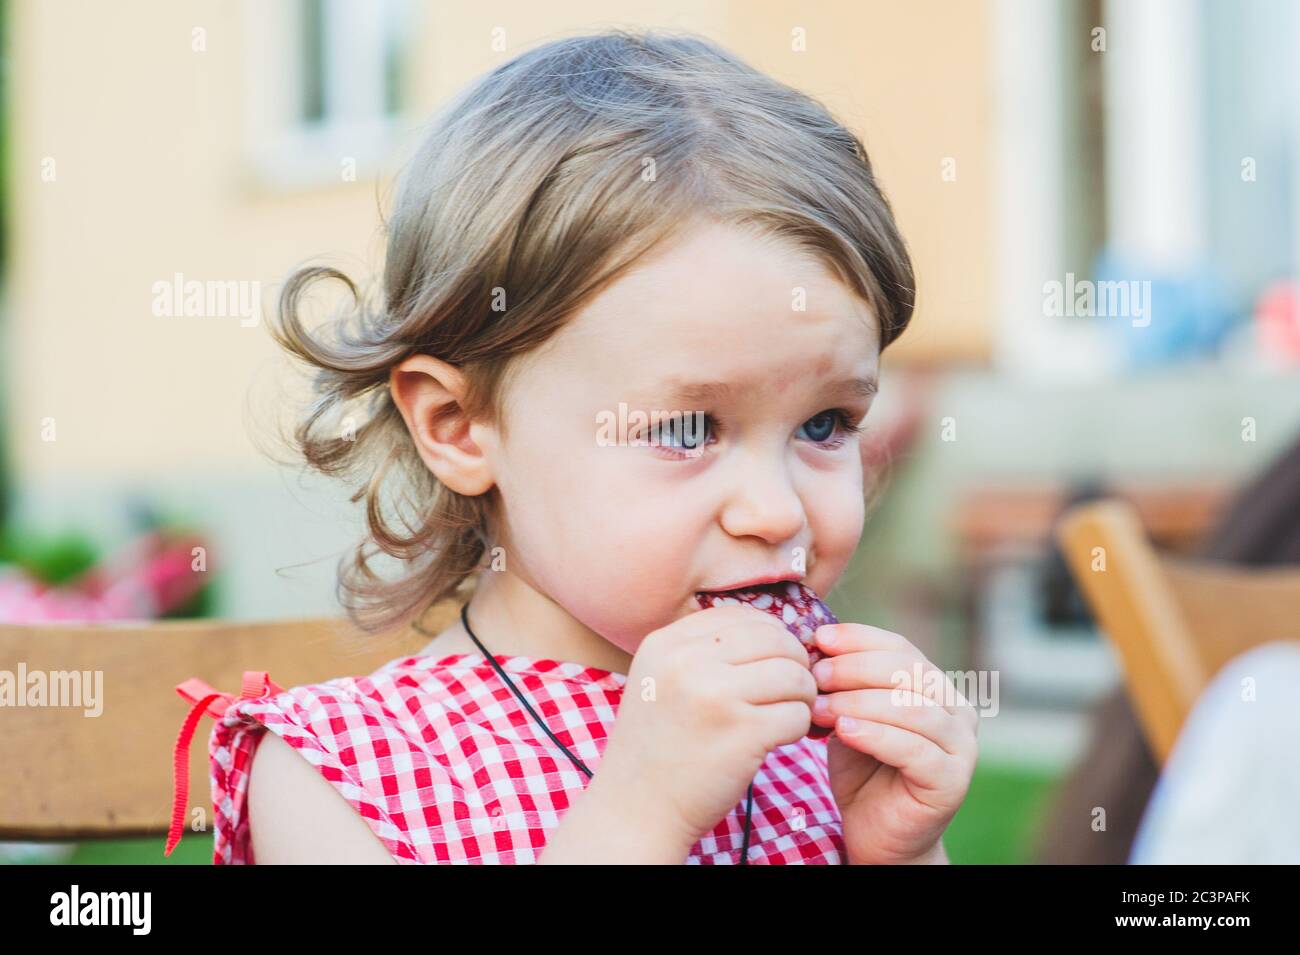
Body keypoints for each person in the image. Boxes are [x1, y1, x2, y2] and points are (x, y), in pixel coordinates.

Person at [166, 29, 978, 865]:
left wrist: (902, 852)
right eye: (686, 428)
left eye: (824, 424)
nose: (777, 510)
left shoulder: (820, 754)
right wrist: (640, 816)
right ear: (457, 426)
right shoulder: (339, 776)